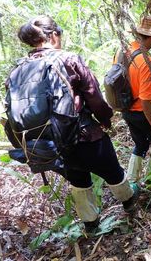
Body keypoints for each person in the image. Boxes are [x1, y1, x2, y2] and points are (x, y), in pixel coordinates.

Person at [12, 15, 139, 232]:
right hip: (83, 134)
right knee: (112, 170)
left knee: (78, 179)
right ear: (53, 35)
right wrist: (106, 119)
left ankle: (90, 224)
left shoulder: (19, 68)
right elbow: (93, 94)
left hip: (50, 142)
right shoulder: (68, 59)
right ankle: (130, 205)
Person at [114, 16, 151, 184]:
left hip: (125, 109)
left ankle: (131, 181)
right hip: (140, 112)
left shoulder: (122, 51)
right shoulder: (145, 60)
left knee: (140, 144)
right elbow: (146, 102)